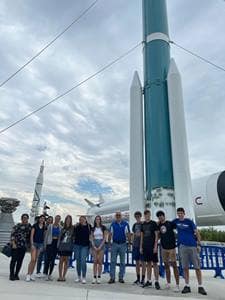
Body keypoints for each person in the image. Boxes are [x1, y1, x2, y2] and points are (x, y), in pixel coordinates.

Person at [172, 207, 207, 295]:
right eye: (178, 213)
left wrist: (199, 244)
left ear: (184, 213)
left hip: (192, 246)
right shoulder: (176, 221)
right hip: (182, 247)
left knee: (197, 267)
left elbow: (197, 233)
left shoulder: (189, 222)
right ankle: (187, 285)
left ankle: (200, 286)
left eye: (181, 213)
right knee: (185, 267)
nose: (180, 214)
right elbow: (166, 224)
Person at [156, 210, 179, 292]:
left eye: (161, 215)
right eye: (159, 216)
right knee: (166, 266)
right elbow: (158, 235)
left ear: (164, 216)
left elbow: (177, 229)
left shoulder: (170, 223)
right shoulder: (158, 225)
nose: (160, 217)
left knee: (174, 265)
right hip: (163, 248)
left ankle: (177, 285)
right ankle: (168, 283)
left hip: (172, 247)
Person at [140, 210, 160, 290]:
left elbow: (156, 235)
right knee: (148, 264)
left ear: (150, 215)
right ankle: (148, 280)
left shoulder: (153, 223)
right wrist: (141, 247)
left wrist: (155, 246)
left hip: (152, 246)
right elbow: (142, 236)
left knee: (155, 264)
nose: (146, 216)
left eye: (148, 215)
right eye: (145, 215)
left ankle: (156, 281)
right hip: (145, 246)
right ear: (144, 216)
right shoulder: (143, 224)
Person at [108, 211, 131, 284]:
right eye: (117, 215)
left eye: (119, 215)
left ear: (121, 216)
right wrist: (109, 243)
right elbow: (110, 234)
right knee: (113, 261)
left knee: (122, 262)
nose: (118, 216)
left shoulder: (125, 224)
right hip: (114, 244)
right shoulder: (113, 224)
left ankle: (121, 277)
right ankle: (112, 278)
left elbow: (128, 234)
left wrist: (129, 243)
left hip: (123, 244)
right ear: (115, 216)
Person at [9, 213, 31, 281]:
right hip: (16, 246)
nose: (25, 219)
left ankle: (16, 274)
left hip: (23, 247)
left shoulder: (29, 227)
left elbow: (30, 235)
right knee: (13, 260)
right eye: (24, 218)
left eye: (26, 218)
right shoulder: (17, 226)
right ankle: (11, 274)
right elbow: (12, 234)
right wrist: (13, 243)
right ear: (21, 219)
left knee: (20, 261)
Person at [26, 215, 46, 282]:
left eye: (43, 219)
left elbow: (44, 236)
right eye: (41, 218)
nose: (42, 219)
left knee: (36, 260)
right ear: (39, 219)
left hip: (40, 244)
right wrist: (32, 244)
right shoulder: (35, 226)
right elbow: (31, 235)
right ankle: (28, 274)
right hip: (34, 243)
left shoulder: (44, 227)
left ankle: (31, 274)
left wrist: (43, 245)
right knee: (33, 259)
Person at [74, 216, 92, 284]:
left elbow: (91, 236)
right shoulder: (77, 226)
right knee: (78, 261)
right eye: (80, 220)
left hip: (85, 246)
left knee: (83, 261)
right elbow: (73, 234)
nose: (81, 220)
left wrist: (90, 247)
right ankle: (79, 276)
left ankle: (84, 277)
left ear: (85, 220)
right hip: (77, 245)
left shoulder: (89, 226)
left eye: (82, 219)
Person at [43, 215, 62, 280]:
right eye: (56, 218)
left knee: (53, 260)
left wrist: (59, 246)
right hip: (49, 243)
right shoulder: (50, 226)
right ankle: (45, 273)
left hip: (55, 244)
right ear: (54, 219)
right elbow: (46, 236)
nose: (57, 220)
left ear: (59, 220)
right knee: (48, 259)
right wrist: (45, 245)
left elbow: (60, 237)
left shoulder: (60, 227)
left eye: (58, 219)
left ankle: (50, 274)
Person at [57, 215, 74, 282]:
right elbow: (59, 238)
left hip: (69, 246)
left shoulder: (72, 228)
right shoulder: (62, 228)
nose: (68, 220)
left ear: (71, 220)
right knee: (61, 261)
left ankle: (64, 276)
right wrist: (58, 246)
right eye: (67, 219)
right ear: (65, 220)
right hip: (62, 246)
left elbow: (73, 238)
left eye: (69, 219)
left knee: (66, 261)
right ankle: (60, 276)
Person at [91, 215, 107, 284]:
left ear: (100, 220)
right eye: (96, 219)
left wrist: (100, 246)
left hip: (101, 244)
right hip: (94, 244)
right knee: (95, 261)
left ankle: (99, 276)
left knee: (100, 262)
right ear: (95, 220)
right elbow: (91, 238)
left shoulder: (103, 228)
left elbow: (104, 238)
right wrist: (94, 246)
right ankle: (94, 277)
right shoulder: (93, 228)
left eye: (99, 219)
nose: (97, 220)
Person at [132, 211, 146, 285]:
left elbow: (142, 235)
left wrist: (141, 246)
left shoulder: (143, 224)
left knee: (143, 262)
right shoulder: (134, 225)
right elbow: (134, 234)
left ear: (140, 216)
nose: (137, 217)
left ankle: (143, 279)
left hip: (142, 246)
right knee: (137, 262)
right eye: (136, 216)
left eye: (138, 216)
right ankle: (138, 278)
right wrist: (132, 243)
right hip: (135, 245)